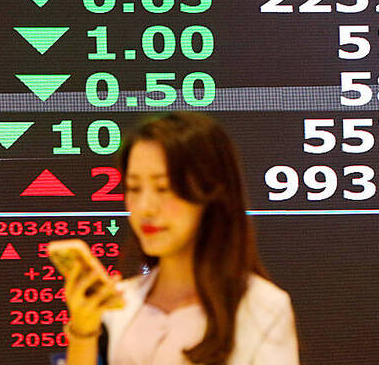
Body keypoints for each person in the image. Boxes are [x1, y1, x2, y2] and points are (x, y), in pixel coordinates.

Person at [61, 112, 299, 365]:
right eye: (134, 188)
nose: (146, 208)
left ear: (210, 193)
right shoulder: (121, 303)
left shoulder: (262, 308)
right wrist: (83, 333)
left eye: (164, 188)